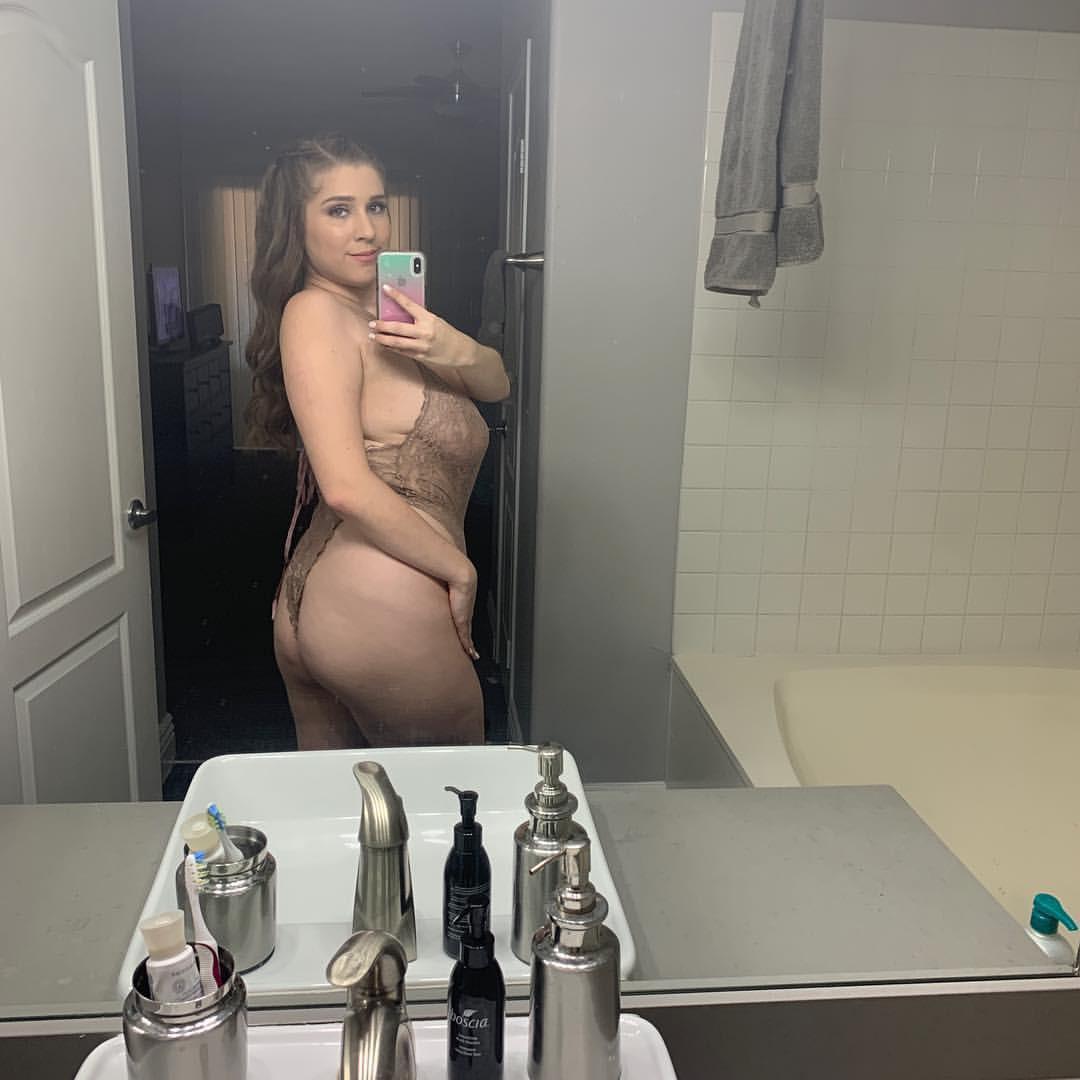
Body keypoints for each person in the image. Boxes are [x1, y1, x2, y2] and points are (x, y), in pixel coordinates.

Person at [244, 134, 510, 750]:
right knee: (448, 794)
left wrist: (451, 346)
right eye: (338, 210)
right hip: (379, 600)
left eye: (377, 205)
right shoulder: (316, 313)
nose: (367, 229)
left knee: (345, 802)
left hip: (341, 595)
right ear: (296, 225)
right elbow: (343, 486)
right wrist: (460, 570)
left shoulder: (392, 315)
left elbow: (498, 384)